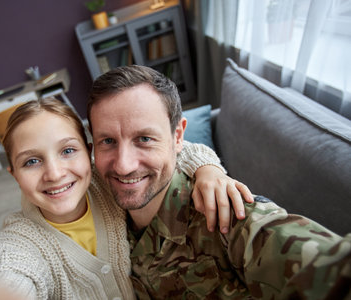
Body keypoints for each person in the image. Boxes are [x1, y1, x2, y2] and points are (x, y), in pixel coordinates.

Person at [87, 65, 351, 299]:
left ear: (178, 137)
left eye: (144, 139)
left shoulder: (227, 215)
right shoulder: (97, 205)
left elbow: (324, 268)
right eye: (107, 141)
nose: (123, 164)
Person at [0, 98, 252, 299]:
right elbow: (8, 278)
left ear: (89, 154)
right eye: (31, 161)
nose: (54, 173)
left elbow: (168, 152)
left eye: (67, 151)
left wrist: (208, 170)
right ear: (14, 175)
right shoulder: (19, 243)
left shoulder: (108, 179)